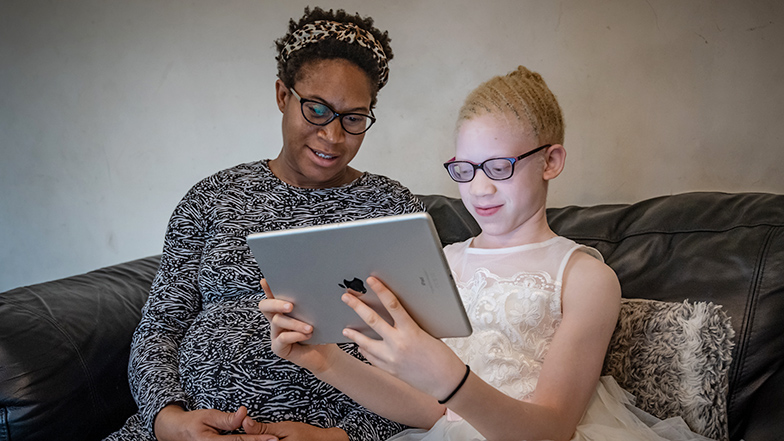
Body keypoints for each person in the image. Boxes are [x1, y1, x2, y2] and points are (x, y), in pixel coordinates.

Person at [259, 66, 716, 440]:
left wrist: (448, 378)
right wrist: (322, 359)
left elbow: (553, 428)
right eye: (464, 169)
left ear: (550, 162)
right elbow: (433, 415)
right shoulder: (440, 263)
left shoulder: (585, 278)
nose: (479, 188)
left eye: (499, 166)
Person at [105, 7, 426, 441]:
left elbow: (422, 362)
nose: (333, 136)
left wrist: (340, 437)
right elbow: (161, 325)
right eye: (317, 109)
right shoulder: (213, 196)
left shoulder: (391, 208)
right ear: (282, 95)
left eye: (353, 118)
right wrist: (169, 421)